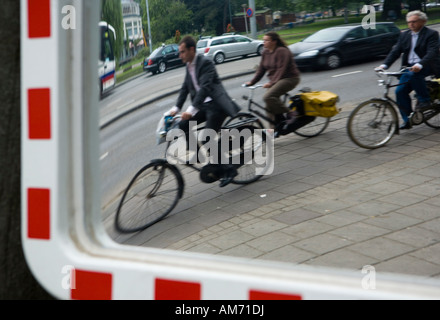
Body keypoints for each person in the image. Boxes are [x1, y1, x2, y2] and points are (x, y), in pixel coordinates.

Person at [168, 36, 241, 187]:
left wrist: (191, 109)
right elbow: (185, 88)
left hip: (216, 106)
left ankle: (229, 170)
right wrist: (176, 108)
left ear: (191, 50)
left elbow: (205, 88)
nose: (179, 55)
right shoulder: (189, 65)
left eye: (182, 52)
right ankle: (199, 154)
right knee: (183, 125)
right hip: (203, 106)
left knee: (207, 138)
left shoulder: (205, 63)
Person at [377, 10, 440, 130]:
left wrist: (420, 64)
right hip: (409, 67)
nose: (411, 24)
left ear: (423, 21)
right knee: (399, 92)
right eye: (409, 22)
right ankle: (408, 120)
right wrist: (384, 66)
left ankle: (424, 100)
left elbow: (432, 52)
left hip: (427, 65)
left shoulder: (431, 34)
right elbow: (395, 52)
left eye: (414, 22)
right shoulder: (404, 35)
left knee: (415, 74)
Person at [245, 31, 301, 129]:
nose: (264, 42)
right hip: (276, 80)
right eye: (263, 40)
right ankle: (274, 129)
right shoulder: (265, 52)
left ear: (274, 41)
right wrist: (252, 82)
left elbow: (281, 69)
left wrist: (271, 83)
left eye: (266, 40)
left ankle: (291, 113)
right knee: (269, 106)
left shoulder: (282, 51)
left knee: (268, 97)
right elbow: (261, 69)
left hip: (289, 78)